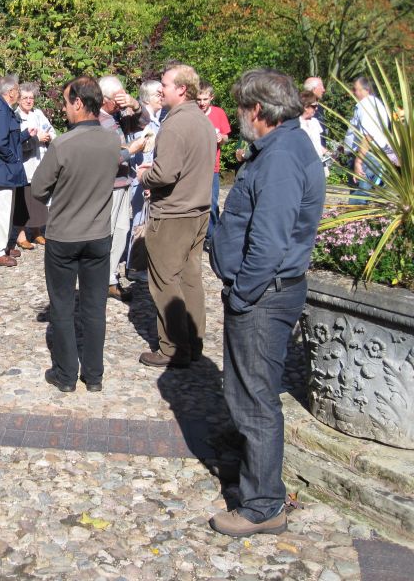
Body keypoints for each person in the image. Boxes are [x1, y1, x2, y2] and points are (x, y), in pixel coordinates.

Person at [209, 68, 325, 537]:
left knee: (255, 397)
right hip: (264, 292)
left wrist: (242, 293)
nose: (238, 117)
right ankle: (256, 476)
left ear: (258, 111)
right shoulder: (281, 148)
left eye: (241, 108)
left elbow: (270, 242)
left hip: (263, 295)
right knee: (247, 391)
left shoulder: (280, 157)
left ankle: (262, 505)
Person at [31, 76, 121, 393]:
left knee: (63, 306)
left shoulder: (63, 144)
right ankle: (94, 375)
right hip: (98, 234)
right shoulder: (113, 141)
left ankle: (66, 374)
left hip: (65, 236)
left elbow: (39, 189)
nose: (65, 109)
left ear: (78, 103)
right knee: (95, 308)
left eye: (67, 102)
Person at [137, 64, 215, 368]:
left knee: (165, 281)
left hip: (173, 214)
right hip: (198, 210)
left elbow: (165, 173)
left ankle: (173, 348)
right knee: (191, 278)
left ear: (182, 88)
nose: (161, 89)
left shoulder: (175, 123)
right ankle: (193, 343)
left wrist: (144, 176)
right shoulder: (202, 120)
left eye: (166, 84)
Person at [0, 74, 35, 267]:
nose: (19, 93)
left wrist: (25, 135)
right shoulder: (1, 111)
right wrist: (14, 159)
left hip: (3, 170)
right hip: (0, 170)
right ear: (10, 92)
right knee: (1, 212)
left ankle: (3, 247)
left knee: (6, 211)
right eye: (17, 90)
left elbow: (7, 138)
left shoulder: (3, 109)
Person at [98, 75, 147, 301]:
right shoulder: (97, 121)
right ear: (104, 99)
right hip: (109, 185)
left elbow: (144, 121)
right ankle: (100, 278)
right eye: (116, 98)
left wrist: (135, 104)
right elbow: (105, 157)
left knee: (121, 230)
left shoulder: (117, 116)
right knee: (106, 233)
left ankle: (110, 278)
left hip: (123, 182)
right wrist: (132, 149)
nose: (120, 102)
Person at [14, 82, 55, 250]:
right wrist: (37, 138)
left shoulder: (38, 114)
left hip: (40, 161)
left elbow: (51, 130)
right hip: (24, 163)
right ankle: (21, 235)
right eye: (25, 98)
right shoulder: (15, 116)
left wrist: (48, 136)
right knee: (23, 199)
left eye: (31, 98)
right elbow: (17, 140)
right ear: (18, 99)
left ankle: (37, 231)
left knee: (38, 198)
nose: (29, 101)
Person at [127, 79, 162, 279]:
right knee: (139, 219)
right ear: (148, 97)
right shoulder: (146, 123)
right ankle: (134, 265)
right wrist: (147, 181)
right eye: (158, 93)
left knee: (143, 218)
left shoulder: (156, 120)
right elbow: (144, 153)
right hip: (140, 178)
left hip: (144, 177)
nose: (162, 96)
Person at [345, 76, 390, 204]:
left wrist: (358, 162)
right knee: (369, 198)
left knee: (358, 198)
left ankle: (354, 223)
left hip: (366, 157)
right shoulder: (376, 104)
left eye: (356, 89)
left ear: (367, 90)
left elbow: (368, 135)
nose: (354, 92)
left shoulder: (365, 106)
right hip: (372, 155)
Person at [196, 80, 231, 245]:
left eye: (205, 99)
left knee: (212, 201)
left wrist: (221, 138)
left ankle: (213, 235)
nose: (202, 103)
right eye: (199, 99)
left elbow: (226, 136)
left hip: (212, 166)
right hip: (193, 167)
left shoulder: (218, 113)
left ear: (211, 98)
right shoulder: (192, 113)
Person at [299, 90, 329, 175]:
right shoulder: (296, 123)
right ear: (305, 106)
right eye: (314, 106)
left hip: (318, 165)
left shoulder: (315, 122)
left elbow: (317, 142)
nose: (316, 108)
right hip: (304, 167)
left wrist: (328, 154)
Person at [303, 76, 326, 146]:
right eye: (321, 87)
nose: (324, 90)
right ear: (313, 89)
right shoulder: (300, 111)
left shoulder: (320, 108)